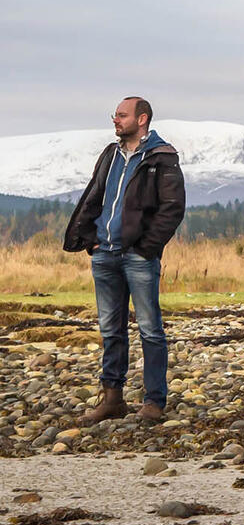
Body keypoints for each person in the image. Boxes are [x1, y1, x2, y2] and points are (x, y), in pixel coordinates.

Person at [62, 97, 186, 424]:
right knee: (110, 330)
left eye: (121, 115)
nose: (115, 120)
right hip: (104, 254)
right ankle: (112, 399)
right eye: (115, 115)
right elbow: (95, 196)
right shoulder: (110, 154)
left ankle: (154, 402)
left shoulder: (162, 157)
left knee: (150, 330)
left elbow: (172, 208)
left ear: (141, 119)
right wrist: (90, 239)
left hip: (138, 257)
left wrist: (146, 248)